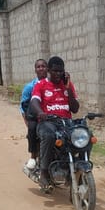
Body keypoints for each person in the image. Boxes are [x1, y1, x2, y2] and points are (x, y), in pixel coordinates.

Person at [29, 56, 79, 190]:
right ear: (49, 71)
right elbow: (34, 101)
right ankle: (44, 173)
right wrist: (40, 112)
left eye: (60, 71)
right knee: (49, 135)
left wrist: (68, 88)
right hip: (47, 122)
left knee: (85, 135)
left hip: (66, 122)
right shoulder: (41, 85)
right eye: (55, 71)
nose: (58, 74)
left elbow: (75, 109)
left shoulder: (68, 85)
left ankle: (78, 167)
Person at [20, 58, 48, 169]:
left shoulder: (52, 84)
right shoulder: (29, 87)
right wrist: (27, 122)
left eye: (43, 66)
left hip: (51, 115)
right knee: (32, 129)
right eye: (38, 67)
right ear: (35, 70)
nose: (41, 68)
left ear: (47, 68)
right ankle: (33, 156)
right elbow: (23, 106)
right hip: (35, 116)